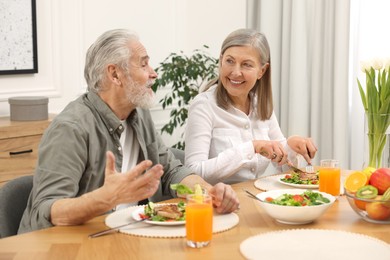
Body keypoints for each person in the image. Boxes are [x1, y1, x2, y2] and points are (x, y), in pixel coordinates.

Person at [18, 29, 239, 234]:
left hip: (125, 234)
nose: (154, 74)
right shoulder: (70, 129)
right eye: (143, 65)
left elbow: (171, 171)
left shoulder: (139, 114)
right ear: (115, 75)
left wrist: (207, 192)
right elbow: (46, 212)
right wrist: (104, 199)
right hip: (70, 243)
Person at [184, 28, 317, 185]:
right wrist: (251, 147)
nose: (236, 72)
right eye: (229, 61)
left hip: (253, 196)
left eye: (246, 65)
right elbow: (194, 172)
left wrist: (291, 146)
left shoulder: (260, 104)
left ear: (262, 71)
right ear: (221, 60)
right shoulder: (204, 106)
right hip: (217, 203)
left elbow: (280, 161)